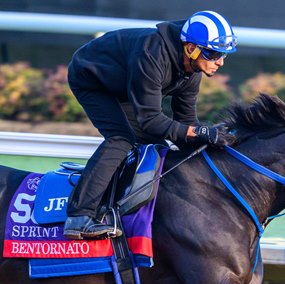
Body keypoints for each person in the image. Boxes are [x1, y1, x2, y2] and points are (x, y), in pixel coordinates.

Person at [63, 10, 237, 239]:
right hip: (92, 79)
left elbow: (185, 124)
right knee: (121, 139)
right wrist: (200, 131)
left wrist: (205, 137)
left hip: (125, 84)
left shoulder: (192, 72)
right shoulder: (153, 53)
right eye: (214, 53)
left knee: (156, 148)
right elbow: (150, 120)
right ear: (191, 48)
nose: (220, 62)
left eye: (223, 54)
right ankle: (79, 217)